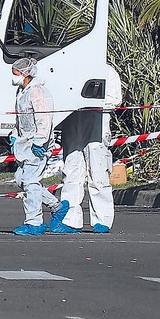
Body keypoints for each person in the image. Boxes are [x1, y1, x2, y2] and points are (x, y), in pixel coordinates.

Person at [52, 65, 122, 234]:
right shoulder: (72, 69)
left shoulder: (107, 71)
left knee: (98, 171)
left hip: (98, 119)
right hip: (73, 119)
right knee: (71, 170)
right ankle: (70, 219)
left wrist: (95, 102)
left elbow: (115, 99)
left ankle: (102, 219)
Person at [9, 57, 68, 236]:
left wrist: (39, 141)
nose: (13, 77)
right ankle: (56, 206)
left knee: (31, 182)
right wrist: (14, 137)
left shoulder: (38, 92)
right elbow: (21, 120)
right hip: (25, 144)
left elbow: (44, 119)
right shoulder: (22, 92)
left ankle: (34, 222)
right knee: (22, 180)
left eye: (16, 74)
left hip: (37, 145)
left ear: (25, 74)